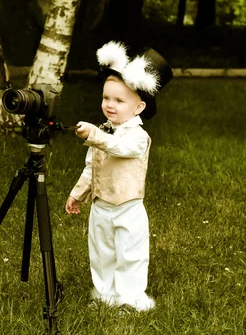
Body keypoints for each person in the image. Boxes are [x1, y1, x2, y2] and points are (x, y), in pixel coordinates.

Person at [65, 41, 173, 311]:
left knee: (130, 254)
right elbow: (92, 167)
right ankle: (105, 294)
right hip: (101, 206)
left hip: (128, 208)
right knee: (101, 253)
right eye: (106, 98)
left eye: (119, 100)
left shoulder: (137, 137)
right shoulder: (104, 130)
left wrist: (95, 136)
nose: (110, 105)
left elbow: (119, 148)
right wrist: (78, 194)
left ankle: (131, 298)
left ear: (138, 108)